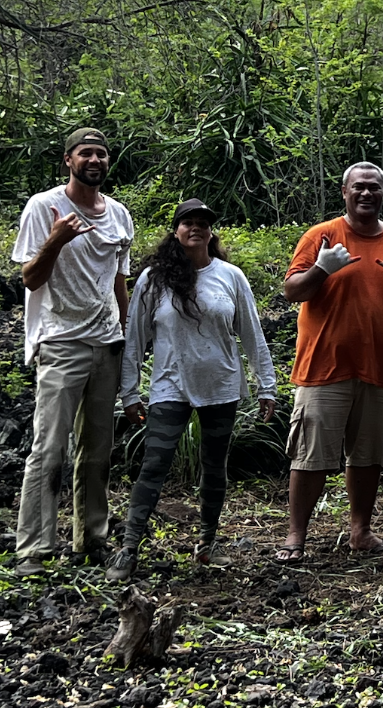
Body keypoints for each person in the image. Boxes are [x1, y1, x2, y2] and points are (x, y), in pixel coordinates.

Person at [275, 162, 383, 563]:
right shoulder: (322, 235)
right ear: (344, 191)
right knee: (310, 456)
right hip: (324, 366)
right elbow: (292, 290)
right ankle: (296, 537)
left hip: (382, 368)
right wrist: (322, 268)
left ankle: (361, 532)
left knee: (368, 456)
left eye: (374, 188)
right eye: (359, 187)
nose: (367, 194)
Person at [106, 199, 277, 581]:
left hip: (221, 386)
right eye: (188, 223)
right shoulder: (154, 278)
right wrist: (129, 392)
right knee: (154, 465)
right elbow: (135, 337)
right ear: (176, 231)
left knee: (214, 466)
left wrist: (267, 384)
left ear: (211, 232)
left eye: (202, 223)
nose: (195, 228)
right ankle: (129, 547)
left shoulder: (230, 276)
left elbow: (251, 334)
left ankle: (207, 543)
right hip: (169, 385)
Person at [11, 127, 134, 577]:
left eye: (101, 154)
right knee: (49, 446)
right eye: (86, 153)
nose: (95, 160)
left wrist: (126, 332)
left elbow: (119, 280)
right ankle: (34, 548)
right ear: (69, 159)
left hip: (106, 341)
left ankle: (91, 539)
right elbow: (29, 278)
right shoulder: (45, 207)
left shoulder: (119, 214)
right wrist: (57, 239)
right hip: (60, 340)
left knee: (97, 448)